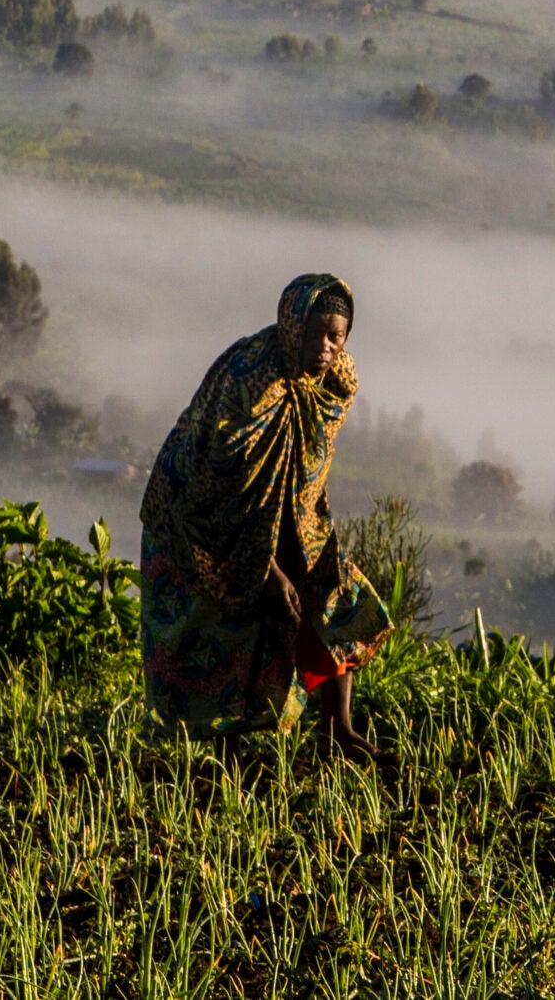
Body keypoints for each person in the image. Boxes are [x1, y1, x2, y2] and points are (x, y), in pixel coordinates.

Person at [138, 272, 389, 758]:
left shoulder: (336, 381)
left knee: (332, 596)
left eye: (335, 335)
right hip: (198, 514)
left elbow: (306, 463)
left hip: (290, 508)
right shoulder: (252, 383)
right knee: (221, 618)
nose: (324, 346)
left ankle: (337, 731)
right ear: (293, 327)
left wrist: (301, 537)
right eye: (314, 332)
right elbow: (228, 483)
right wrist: (267, 568)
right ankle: (222, 746)